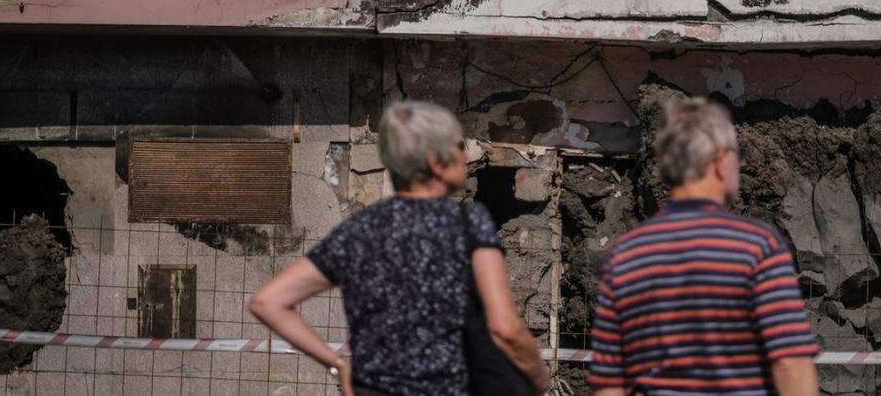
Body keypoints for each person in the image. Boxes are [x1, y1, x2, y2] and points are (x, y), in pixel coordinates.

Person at [249, 101, 549, 396]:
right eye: (459, 145)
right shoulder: (468, 222)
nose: (466, 156)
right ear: (435, 161)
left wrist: (337, 364)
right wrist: (537, 377)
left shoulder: (359, 230)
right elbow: (505, 327)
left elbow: (268, 302)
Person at [588, 97, 820, 395]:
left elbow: (608, 384)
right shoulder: (757, 247)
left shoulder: (626, 255)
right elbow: (791, 364)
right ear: (721, 161)